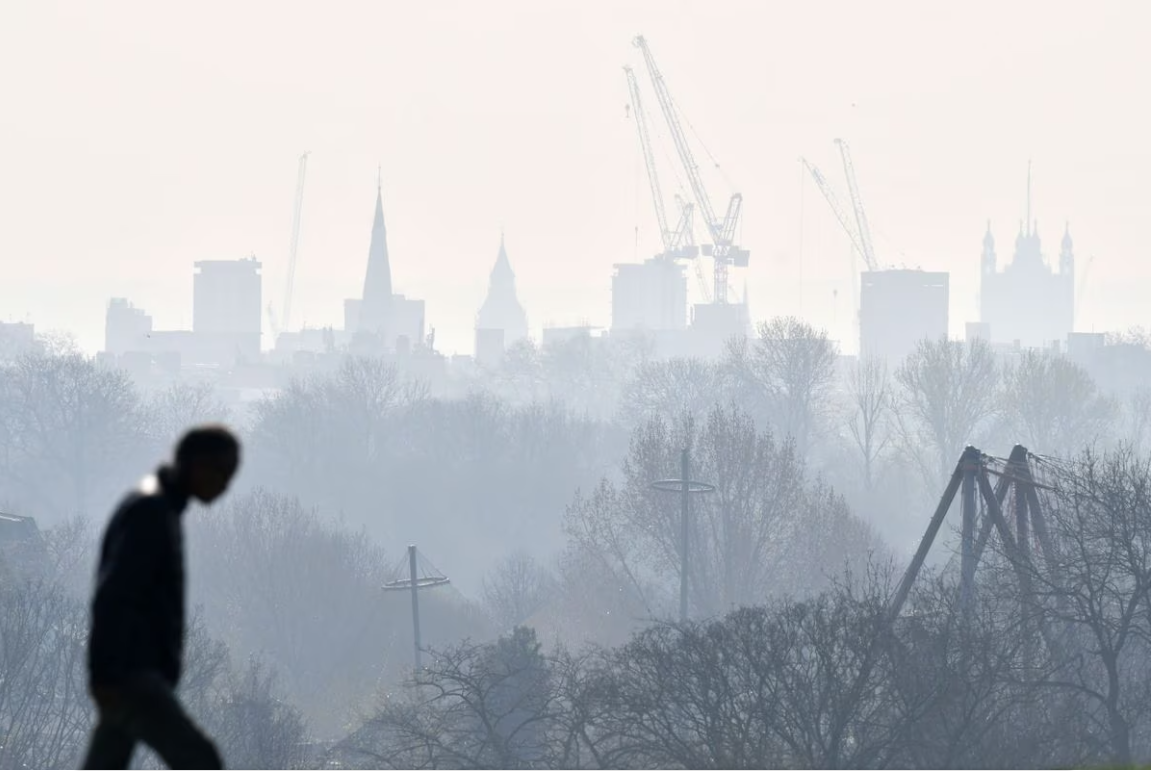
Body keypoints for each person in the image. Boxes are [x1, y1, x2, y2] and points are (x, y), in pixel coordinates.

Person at [80, 425, 241, 770]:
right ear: (196, 465)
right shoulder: (152, 512)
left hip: (124, 671)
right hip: (131, 672)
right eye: (222, 472)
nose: (225, 485)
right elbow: (115, 594)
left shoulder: (155, 505)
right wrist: (105, 672)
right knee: (200, 761)